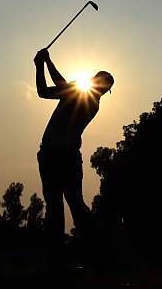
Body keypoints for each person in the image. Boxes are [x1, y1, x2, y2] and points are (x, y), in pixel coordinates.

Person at [33, 48, 114, 267]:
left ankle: (95, 254)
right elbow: (42, 91)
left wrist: (46, 61)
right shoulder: (73, 93)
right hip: (50, 153)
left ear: (102, 89)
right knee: (55, 207)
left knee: (74, 205)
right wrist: (39, 66)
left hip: (64, 156)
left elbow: (60, 83)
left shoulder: (88, 100)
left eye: (100, 82)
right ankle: (59, 260)